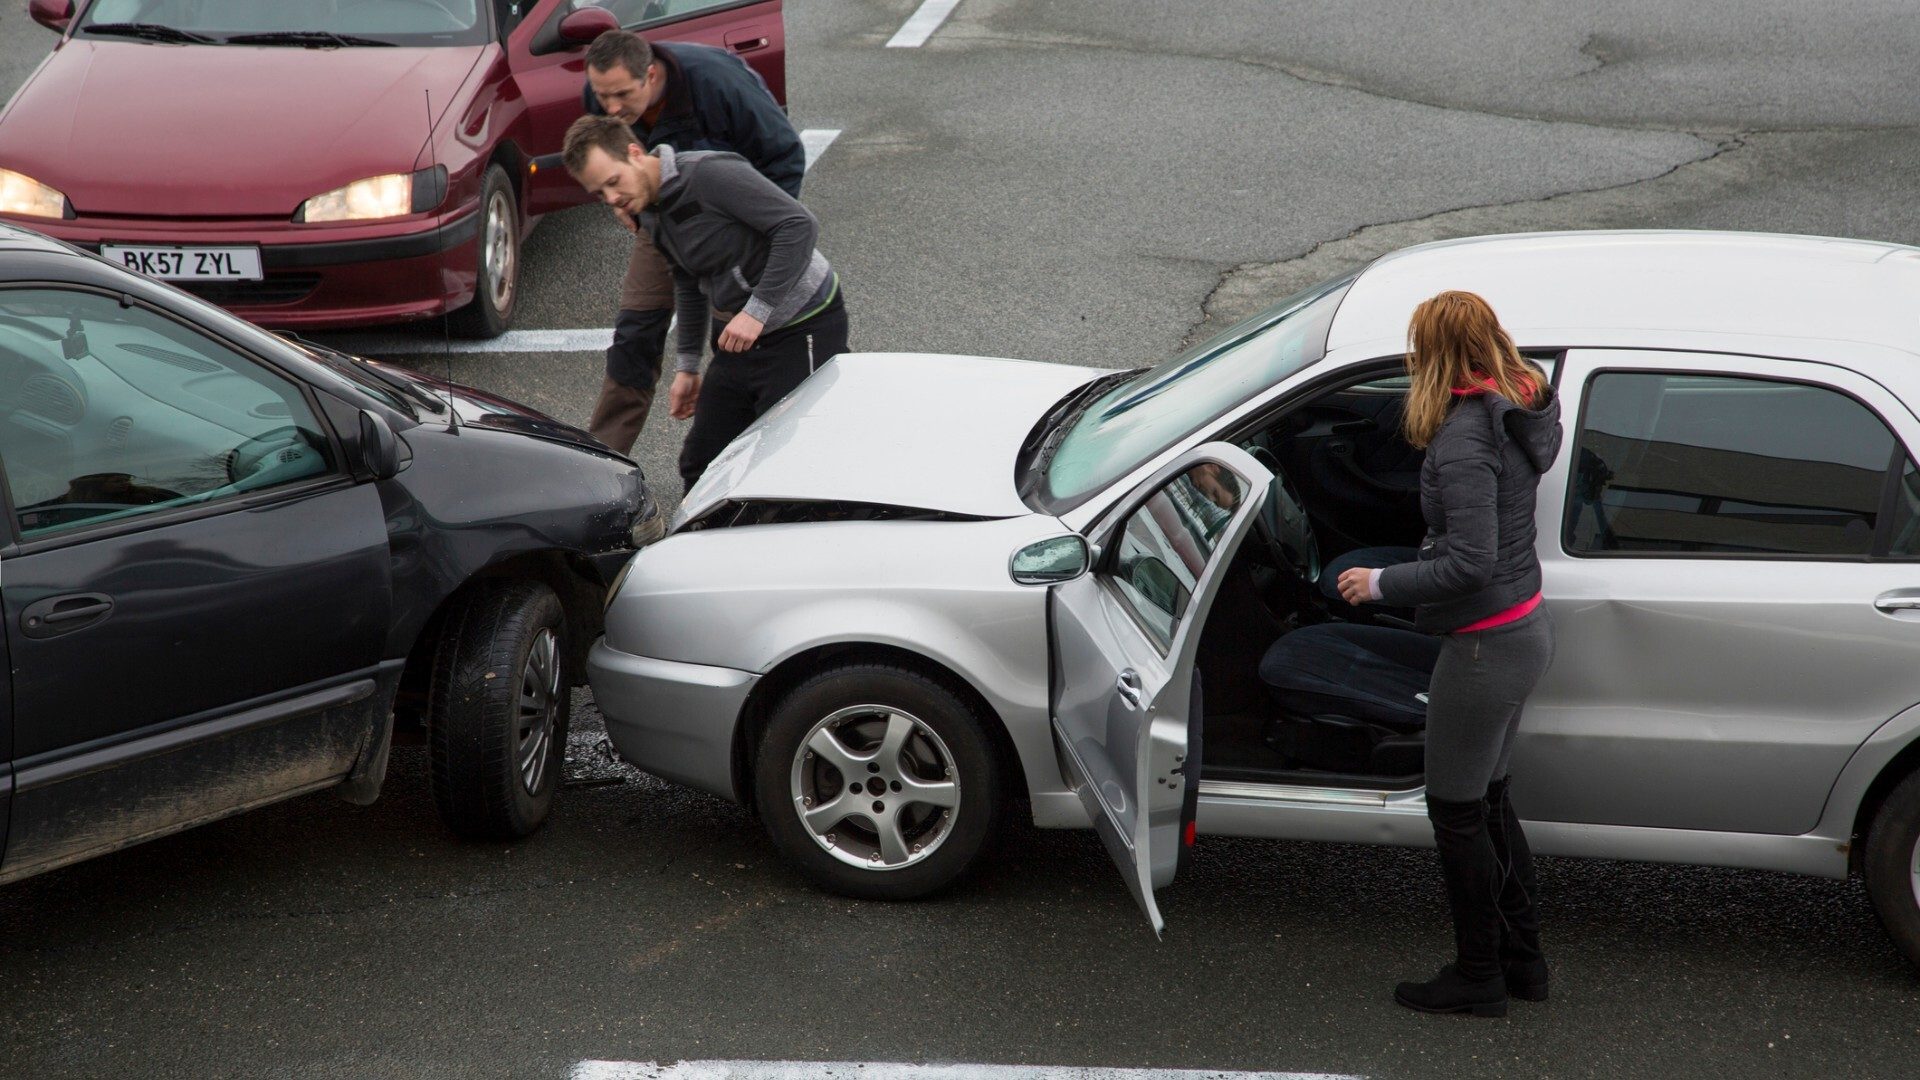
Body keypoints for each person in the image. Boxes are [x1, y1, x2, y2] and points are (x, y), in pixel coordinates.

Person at [1334, 290, 1562, 1017]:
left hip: (1483, 649)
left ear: (1433, 353)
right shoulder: (1518, 408)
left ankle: (1477, 976)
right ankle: (1523, 963)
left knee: (1456, 811)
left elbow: (1469, 560)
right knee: (1490, 804)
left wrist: (1380, 584)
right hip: (1521, 631)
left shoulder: (1467, 437)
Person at [562, 115, 849, 489]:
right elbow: (687, 277)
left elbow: (798, 225)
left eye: (613, 182)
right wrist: (688, 367)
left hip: (802, 323)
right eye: (600, 193)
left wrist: (757, 311)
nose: (612, 199)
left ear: (634, 153)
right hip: (740, 335)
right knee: (701, 462)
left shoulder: (708, 174)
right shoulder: (649, 208)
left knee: (786, 459)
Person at [578, 29, 805, 455]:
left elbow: (785, 158)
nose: (611, 108)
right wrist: (623, 205)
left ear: (650, 75)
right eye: (601, 95)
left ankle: (757, 464)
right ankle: (601, 466)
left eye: (622, 95)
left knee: (737, 345)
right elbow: (603, 156)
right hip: (661, 223)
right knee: (634, 336)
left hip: (732, 225)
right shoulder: (605, 95)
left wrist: (755, 240)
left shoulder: (719, 84)